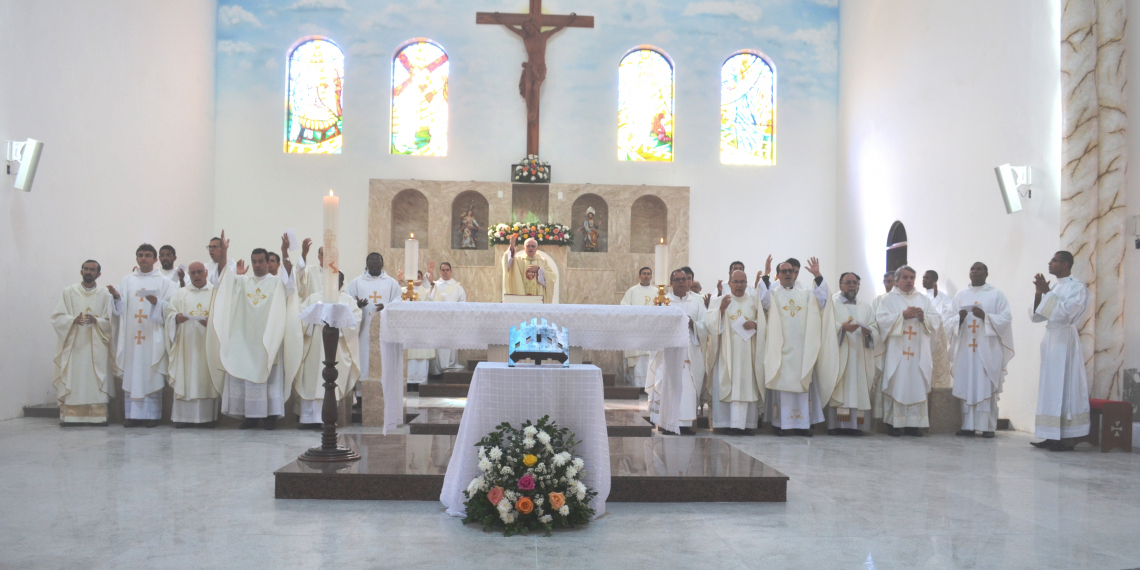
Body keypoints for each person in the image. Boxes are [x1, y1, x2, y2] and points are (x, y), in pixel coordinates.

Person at [206, 231, 302, 430]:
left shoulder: (277, 283)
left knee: (270, 376)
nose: (257, 265)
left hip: (268, 340)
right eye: (254, 261)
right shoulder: (243, 282)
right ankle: (250, 416)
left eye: (261, 261)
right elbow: (224, 279)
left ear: (269, 263)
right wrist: (224, 252)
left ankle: (270, 417)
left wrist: (284, 252)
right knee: (247, 376)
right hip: (246, 339)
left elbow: (290, 280)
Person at [760, 257, 838, 437]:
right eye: (784, 272)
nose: (788, 274)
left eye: (791, 271)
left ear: (795, 274)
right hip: (781, 348)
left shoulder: (805, 294)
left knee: (802, 384)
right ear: (778, 275)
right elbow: (762, 300)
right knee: (783, 384)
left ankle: (802, 425)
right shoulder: (773, 293)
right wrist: (765, 274)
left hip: (802, 350)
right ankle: (781, 424)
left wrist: (817, 275)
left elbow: (823, 299)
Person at [110, 244, 177, 427]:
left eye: (147, 255)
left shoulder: (164, 282)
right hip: (132, 336)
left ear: (155, 260)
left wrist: (158, 304)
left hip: (152, 335)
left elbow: (172, 307)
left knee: (150, 372)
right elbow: (119, 308)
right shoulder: (126, 281)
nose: (143, 258)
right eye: (140, 255)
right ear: (136, 258)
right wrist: (116, 297)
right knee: (133, 373)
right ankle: (132, 416)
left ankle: (151, 416)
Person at [1029, 251, 1090, 451]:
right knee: (1050, 387)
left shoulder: (1077, 287)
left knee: (1066, 386)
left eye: (1054, 260)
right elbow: (1037, 316)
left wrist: (1047, 292)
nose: (1050, 263)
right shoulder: (1054, 287)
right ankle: (1050, 434)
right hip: (1051, 339)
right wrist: (1040, 293)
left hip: (1065, 340)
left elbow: (1066, 313)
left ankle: (1067, 437)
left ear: (1065, 264)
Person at [950, 262, 1014, 438]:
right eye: (972, 268)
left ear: (986, 273)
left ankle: (987, 427)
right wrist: (959, 319)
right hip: (966, 350)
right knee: (968, 383)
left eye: (979, 269)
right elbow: (948, 320)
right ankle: (967, 426)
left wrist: (985, 316)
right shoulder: (960, 295)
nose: (975, 271)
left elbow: (1006, 318)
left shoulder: (996, 295)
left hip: (987, 349)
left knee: (985, 384)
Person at [51, 260, 114, 426]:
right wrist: (72, 320)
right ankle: (71, 416)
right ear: (81, 272)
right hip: (75, 344)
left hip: (96, 346)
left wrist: (98, 321)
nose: (89, 271)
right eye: (86, 269)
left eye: (92, 270)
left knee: (94, 379)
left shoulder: (105, 294)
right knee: (74, 376)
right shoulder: (69, 291)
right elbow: (57, 317)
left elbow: (111, 321)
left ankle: (98, 416)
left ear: (98, 274)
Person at [876, 266, 936, 437]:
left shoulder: (923, 300)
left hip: (917, 352)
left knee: (916, 383)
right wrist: (902, 316)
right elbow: (881, 320)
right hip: (897, 352)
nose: (909, 280)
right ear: (897, 280)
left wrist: (924, 317)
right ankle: (893, 424)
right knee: (897, 381)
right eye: (905, 277)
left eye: (912, 277)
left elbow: (936, 319)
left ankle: (913, 425)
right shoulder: (887, 299)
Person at [295, 271, 361, 428]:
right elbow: (300, 318)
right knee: (312, 379)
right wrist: (313, 322)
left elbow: (356, 321)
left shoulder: (347, 301)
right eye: (328, 279)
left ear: (341, 283)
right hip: (314, 349)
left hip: (336, 348)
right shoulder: (313, 298)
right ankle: (309, 419)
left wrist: (338, 324)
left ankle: (330, 418)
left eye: (335, 279)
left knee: (331, 379)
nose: (331, 283)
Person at [646, 269, 708, 433]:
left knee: (688, 389)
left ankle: (686, 425)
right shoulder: (664, 302)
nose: (681, 282)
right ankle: (668, 424)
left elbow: (705, 326)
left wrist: (692, 324)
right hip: (669, 354)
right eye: (677, 280)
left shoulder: (697, 303)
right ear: (671, 283)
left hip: (690, 355)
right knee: (669, 386)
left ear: (688, 282)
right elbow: (654, 325)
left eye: (684, 279)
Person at [704, 270, 764, 433]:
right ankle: (726, 424)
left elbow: (766, 322)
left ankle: (747, 425)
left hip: (747, 354)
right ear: (729, 283)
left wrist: (756, 323)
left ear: (747, 283)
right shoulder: (718, 301)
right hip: (726, 354)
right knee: (727, 384)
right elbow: (710, 325)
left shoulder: (753, 301)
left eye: (742, 282)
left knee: (746, 385)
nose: (739, 285)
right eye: (736, 282)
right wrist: (721, 311)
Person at [163, 261, 221, 427]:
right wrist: (176, 318)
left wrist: (212, 323)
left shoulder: (215, 293)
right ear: (189, 275)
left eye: (199, 272)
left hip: (207, 345)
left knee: (205, 379)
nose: (196, 276)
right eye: (193, 273)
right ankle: (183, 418)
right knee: (186, 377)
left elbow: (224, 316)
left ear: (206, 273)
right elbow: (169, 313)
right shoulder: (181, 294)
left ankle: (207, 419)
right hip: (186, 345)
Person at [827, 272, 879, 435]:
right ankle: (835, 426)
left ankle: (856, 426)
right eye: (848, 282)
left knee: (857, 387)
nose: (852, 285)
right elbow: (825, 327)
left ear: (858, 286)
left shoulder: (866, 307)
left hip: (859, 355)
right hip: (839, 354)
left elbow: (875, 328)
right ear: (840, 285)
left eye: (855, 283)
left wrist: (867, 332)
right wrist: (841, 328)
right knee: (839, 386)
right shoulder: (832, 305)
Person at [345, 253, 403, 384]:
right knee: (363, 357)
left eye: (378, 261)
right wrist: (357, 305)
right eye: (372, 260)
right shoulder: (356, 283)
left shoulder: (391, 283)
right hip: (364, 330)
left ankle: (384, 391)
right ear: (367, 263)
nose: (375, 263)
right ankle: (361, 393)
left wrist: (386, 307)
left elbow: (399, 300)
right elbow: (347, 302)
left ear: (382, 264)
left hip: (385, 330)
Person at [397, 269, 436, 384]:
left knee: (421, 354)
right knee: (409, 355)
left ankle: (421, 381)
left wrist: (432, 283)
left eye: (419, 276)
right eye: (415, 276)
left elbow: (434, 299)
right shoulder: (404, 290)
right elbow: (395, 298)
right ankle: (408, 382)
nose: (417, 278)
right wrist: (399, 281)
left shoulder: (427, 290)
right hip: (407, 327)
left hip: (421, 327)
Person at [621, 267, 657, 388]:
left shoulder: (658, 292)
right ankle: (637, 386)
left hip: (652, 331)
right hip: (636, 330)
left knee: (651, 356)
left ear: (651, 276)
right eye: (644, 274)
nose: (646, 276)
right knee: (638, 358)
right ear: (639, 276)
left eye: (648, 274)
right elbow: (623, 307)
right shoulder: (632, 291)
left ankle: (652, 386)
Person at [428, 262, 467, 374]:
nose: (445, 272)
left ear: (451, 271)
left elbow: (462, 303)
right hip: (438, 321)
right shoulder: (435, 284)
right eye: (443, 270)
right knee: (439, 345)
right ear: (440, 271)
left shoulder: (458, 287)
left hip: (452, 320)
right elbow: (430, 299)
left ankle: (451, 364)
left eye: (447, 270)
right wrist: (431, 283)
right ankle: (437, 370)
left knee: (451, 344)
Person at [871, 271, 896, 425]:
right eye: (885, 281)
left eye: (890, 281)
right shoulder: (878, 300)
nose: (887, 284)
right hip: (884, 345)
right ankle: (884, 416)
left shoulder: (904, 300)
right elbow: (875, 322)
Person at [504, 234, 557, 303]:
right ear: (524, 247)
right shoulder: (517, 260)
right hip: (521, 297)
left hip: (538, 298)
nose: (530, 248)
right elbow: (506, 262)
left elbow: (552, 277)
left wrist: (539, 270)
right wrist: (511, 247)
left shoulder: (542, 261)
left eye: (533, 246)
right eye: (528, 246)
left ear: (536, 248)